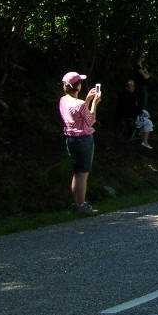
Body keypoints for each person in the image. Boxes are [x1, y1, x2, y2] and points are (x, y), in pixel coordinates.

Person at [59, 71, 102, 216]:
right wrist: (94, 103)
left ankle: (77, 203)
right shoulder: (80, 104)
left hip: (71, 140)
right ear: (77, 86)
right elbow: (90, 120)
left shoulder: (63, 100)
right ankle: (81, 205)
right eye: (80, 82)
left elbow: (79, 112)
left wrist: (87, 101)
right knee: (83, 174)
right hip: (84, 140)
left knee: (77, 173)